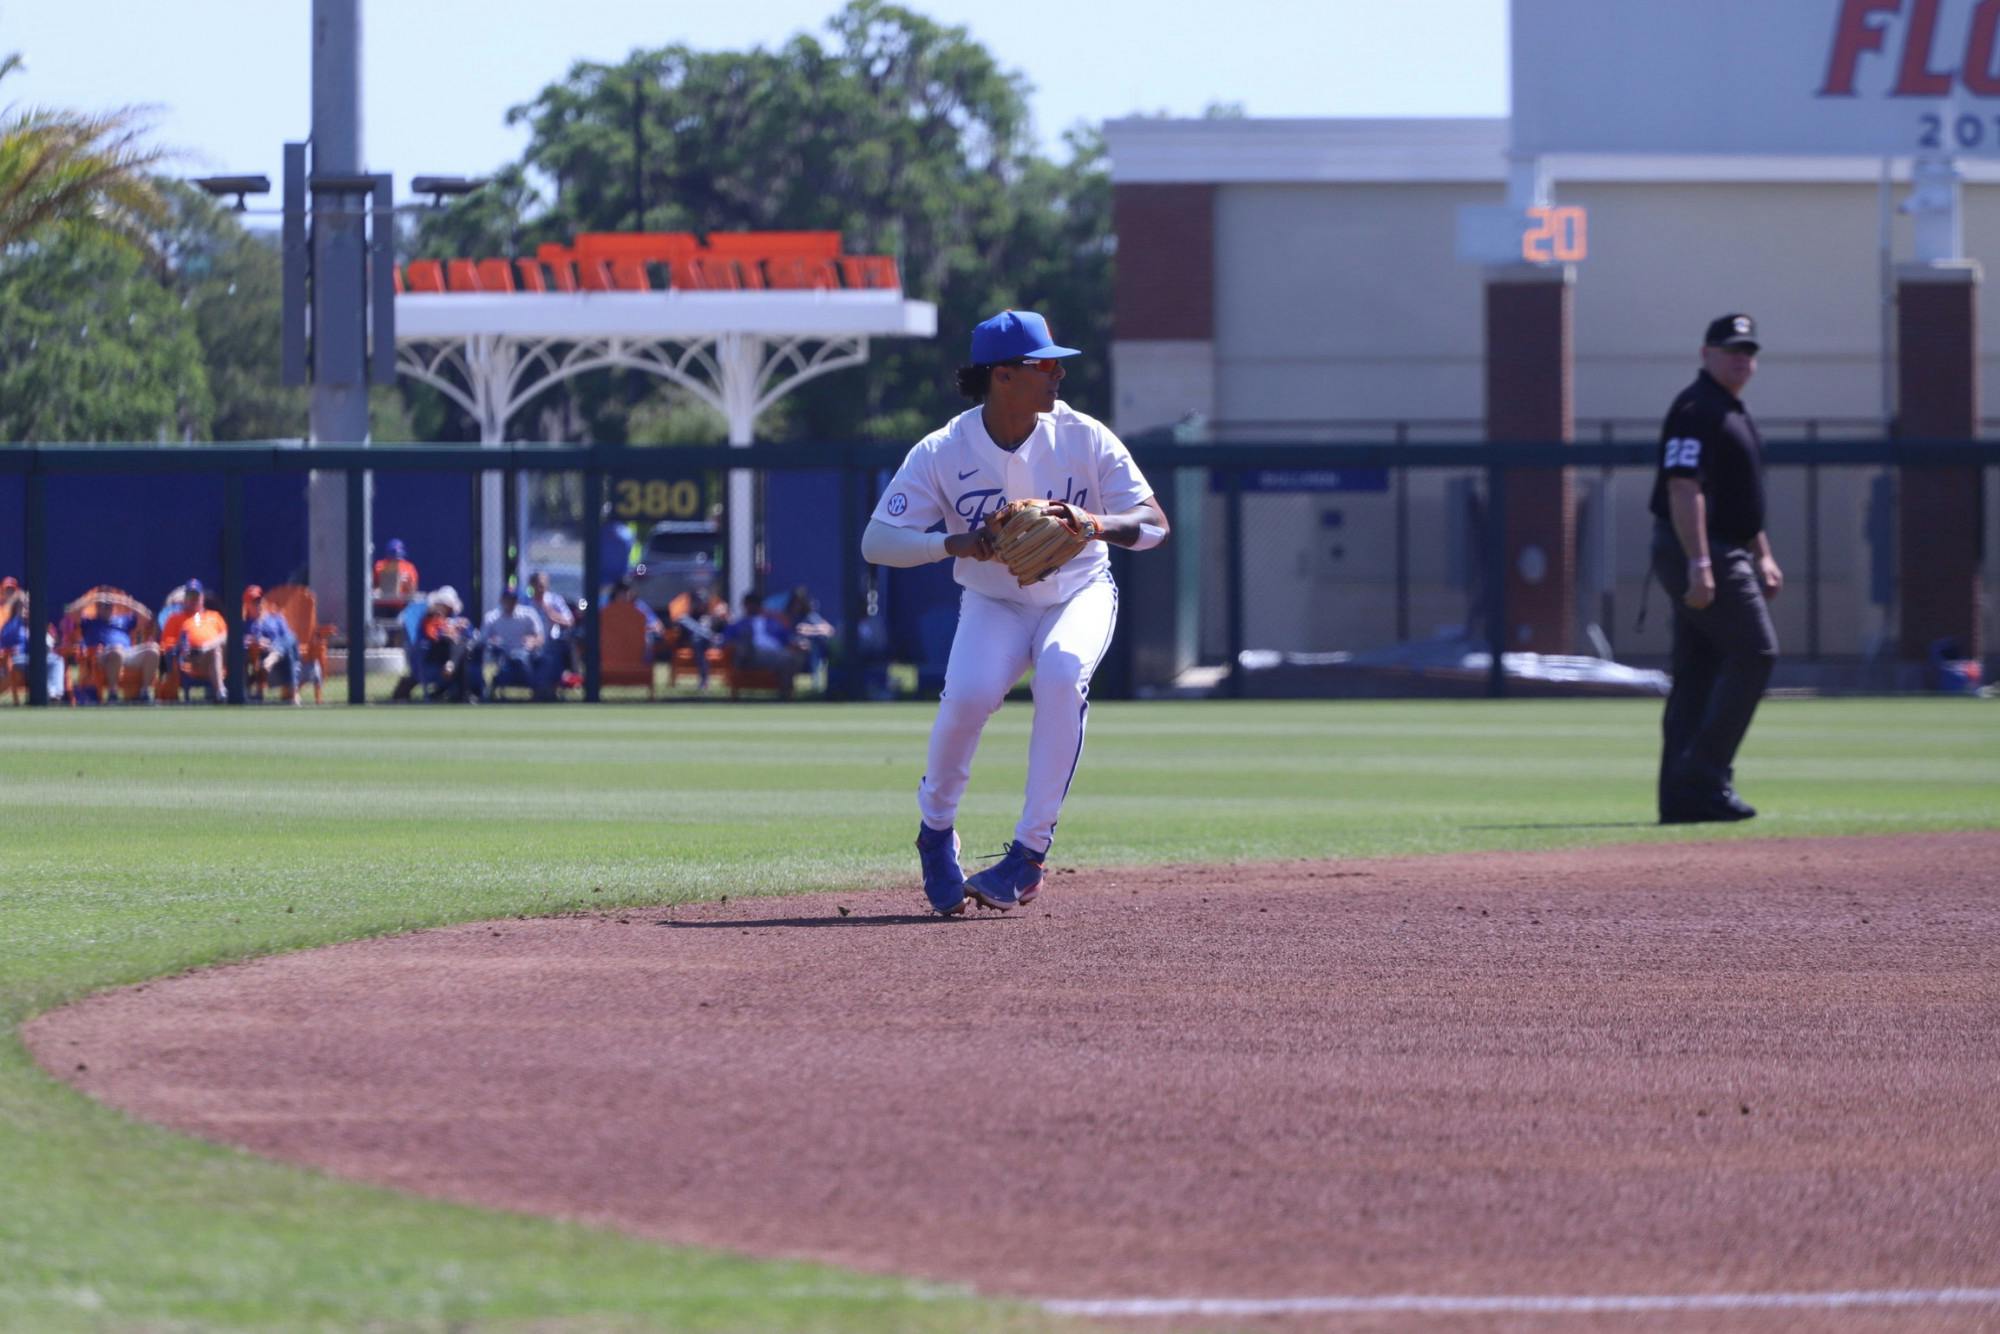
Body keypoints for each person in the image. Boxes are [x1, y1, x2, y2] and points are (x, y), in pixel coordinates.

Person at [862, 308, 1171, 915]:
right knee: (969, 697)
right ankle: (935, 830)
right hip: (994, 598)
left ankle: (1027, 858)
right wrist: (949, 543)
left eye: (1057, 363)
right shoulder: (944, 449)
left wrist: (1094, 523)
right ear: (1001, 375)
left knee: (1060, 674)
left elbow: (1156, 525)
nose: (1058, 373)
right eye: (1043, 364)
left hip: (1079, 590)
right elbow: (877, 541)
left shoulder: (1083, 434)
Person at [1649, 313, 1783, 824]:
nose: (1742, 359)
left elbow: (1737, 500)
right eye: (1731, 350)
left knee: (1698, 671)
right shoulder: (1696, 408)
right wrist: (1700, 563)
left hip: (1724, 546)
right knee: (1756, 651)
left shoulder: (1730, 409)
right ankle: (1702, 776)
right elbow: (1683, 487)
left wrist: (1763, 552)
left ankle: (1680, 800)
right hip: (1703, 549)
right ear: (1705, 354)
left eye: (1748, 352)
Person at [65, 588, 158, 703]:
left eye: (110, 606)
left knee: (153, 649)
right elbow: (69, 613)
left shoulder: (123, 620)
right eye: (103, 605)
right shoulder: (89, 622)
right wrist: (93, 599)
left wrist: (124, 601)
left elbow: (147, 617)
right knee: (116, 650)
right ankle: (112, 693)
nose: (107, 608)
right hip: (102, 655)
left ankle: (145, 692)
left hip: (127, 653)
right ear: (97, 607)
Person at [478, 583, 556, 700]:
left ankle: (541, 692)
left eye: (513, 599)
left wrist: (533, 641)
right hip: (504, 658)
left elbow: (540, 637)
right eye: (508, 599)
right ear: (502, 599)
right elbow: (482, 639)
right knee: (513, 660)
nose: (510, 602)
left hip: (528, 657)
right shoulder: (492, 617)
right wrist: (492, 641)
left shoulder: (528, 614)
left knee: (544, 660)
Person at [157, 579, 229, 703]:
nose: (193, 599)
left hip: (213, 658)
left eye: (196, 596)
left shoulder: (214, 616)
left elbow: (227, 636)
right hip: (189, 659)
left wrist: (207, 646)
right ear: (185, 598)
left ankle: (221, 692)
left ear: (202, 597)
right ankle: (221, 692)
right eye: (190, 596)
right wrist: (182, 646)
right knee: (214, 651)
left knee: (216, 650)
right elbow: (167, 646)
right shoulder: (175, 618)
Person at [721, 590, 805, 695]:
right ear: (745, 606)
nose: (752, 607)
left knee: (789, 657)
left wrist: (796, 646)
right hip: (751, 656)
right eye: (750, 604)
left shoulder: (774, 623)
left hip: (776, 653)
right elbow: (725, 643)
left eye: (755, 604)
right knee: (745, 641)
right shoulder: (737, 625)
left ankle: (785, 695)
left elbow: (788, 640)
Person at [242, 585, 302, 705]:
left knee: (290, 637)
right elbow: (239, 643)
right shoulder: (245, 625)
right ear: (247, 605)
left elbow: (288, 638)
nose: (258, 604)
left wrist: (273, 646)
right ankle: (293, 693)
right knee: (288, 645)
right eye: (254, 602)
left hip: (279, 657)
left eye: (259, 601)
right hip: (262, 659)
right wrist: (254, 641)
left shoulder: (276, 618)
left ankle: (275, 654)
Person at [783, 585, 836, 689]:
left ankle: (816, 685)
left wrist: (810, 630)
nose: (798, 605)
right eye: (796, 602)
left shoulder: (810, 616)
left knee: (814, 648)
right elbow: (791, 636)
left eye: (800, 602)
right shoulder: (790, 618)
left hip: (818, 648)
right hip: (796, 649)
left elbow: (830, 631)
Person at [372, 539, 420, 619]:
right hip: (381, 605)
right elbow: (372, 586)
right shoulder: (379, 565)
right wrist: (378, 589)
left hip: (400, 606)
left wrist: (407, 585)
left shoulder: (409, 567)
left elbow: (413, 590)